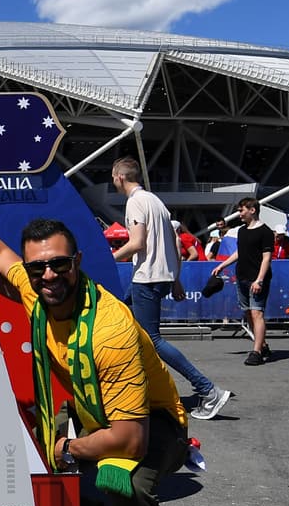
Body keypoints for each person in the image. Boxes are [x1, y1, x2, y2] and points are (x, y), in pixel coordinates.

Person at [0, 218, 189, 506]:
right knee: (23, 465)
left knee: (127, 482)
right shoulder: (34, 288)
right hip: (98, 416)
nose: (48, 276)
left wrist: (66, 448)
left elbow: (131, 438)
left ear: (76, 262)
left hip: (152, 424)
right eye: (38, 267)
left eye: (59, 264)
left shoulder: (110, 328)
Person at [110, 158, 230, 420]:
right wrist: (175, 279)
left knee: (151, 339)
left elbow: (137, 242)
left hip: (147, 277)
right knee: (124, 324)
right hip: (160, 276)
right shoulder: (156, 202)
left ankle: (207, 390)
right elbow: (175, 244)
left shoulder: (134, 202)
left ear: (119, 177)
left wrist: (109, 257)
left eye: (112, 177)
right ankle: (143, 390)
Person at [212, 197, 275, 366]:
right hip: (242, 277)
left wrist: (259, 280)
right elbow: (239, 252)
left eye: (241, 210)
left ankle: (256, 352)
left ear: (252, 210)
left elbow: (266, 258)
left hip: (257, 279)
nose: (239, 214)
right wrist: (222, 265)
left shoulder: (266, 232)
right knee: (248, 313)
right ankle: (262, 345)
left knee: (257, 313)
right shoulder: (242, 231)